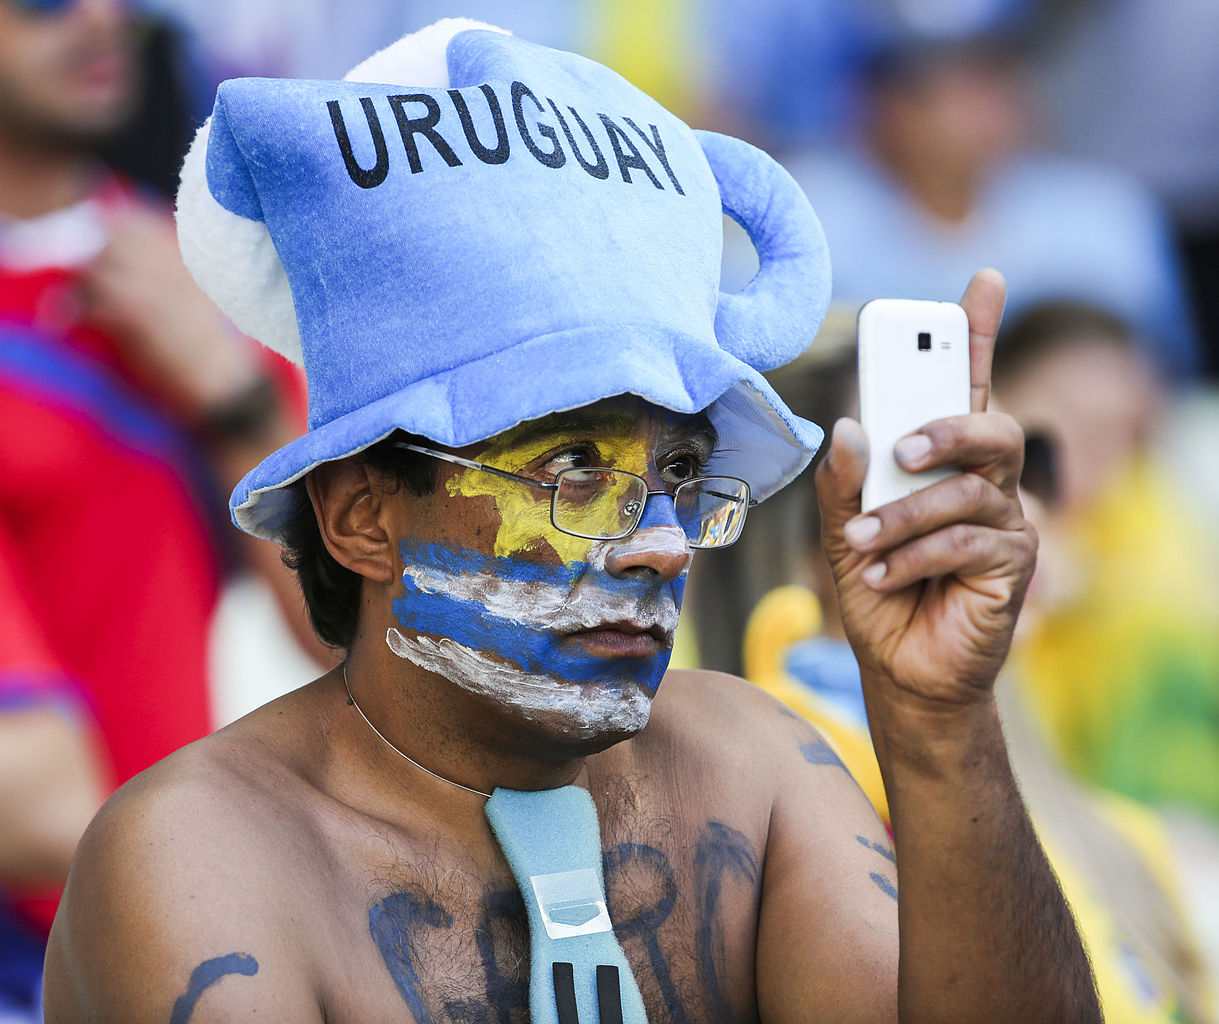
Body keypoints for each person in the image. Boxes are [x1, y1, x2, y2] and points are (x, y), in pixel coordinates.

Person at [43, 19, 1100, 1022]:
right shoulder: (202, 853)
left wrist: (936, 723)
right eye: (572, 468)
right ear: (362, 514)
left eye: (682, 471)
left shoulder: (754, 764)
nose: (663, 540)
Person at [0, 0, 321, 1016]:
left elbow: (347, 624)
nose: (99, 20)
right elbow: (29, 795)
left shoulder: (207, 291)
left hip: (162, 942)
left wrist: (232, 399)